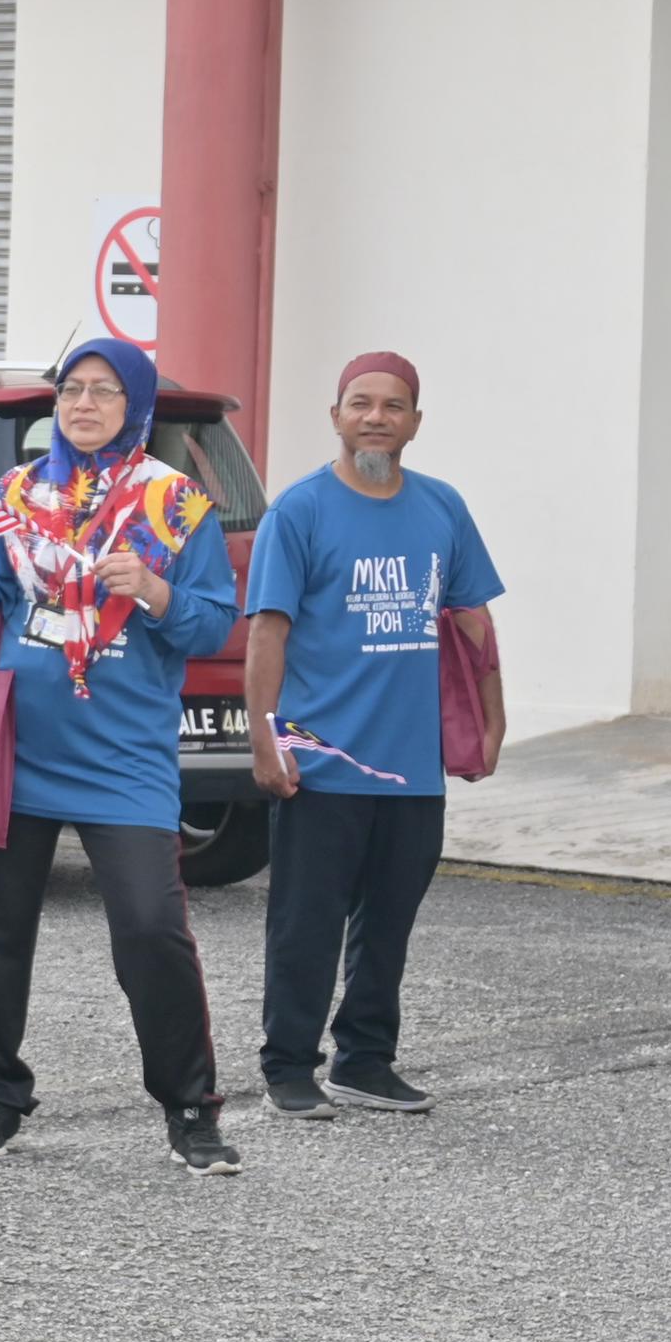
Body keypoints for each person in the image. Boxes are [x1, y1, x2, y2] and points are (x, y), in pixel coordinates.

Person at [0, 337, 243, 1174]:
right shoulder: (16, 493)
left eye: (105, 390)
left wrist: (154, 589)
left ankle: (190, 1108)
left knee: (149, 929)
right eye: (72, 388)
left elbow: (214, 625)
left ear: (134, 406)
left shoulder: (174, 503)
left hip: (123, 758)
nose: (83, 404)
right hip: (13, 750)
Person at [243, 349, 506, 1116]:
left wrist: (492, 720)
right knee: (306, 923)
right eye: (360, 403)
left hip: (411, 763)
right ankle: (288, 1065)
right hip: (320, 762)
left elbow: (472, 620)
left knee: (388, 924)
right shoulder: (299, 511)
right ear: (335, 416)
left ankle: (363, 1060)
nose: (375, 417)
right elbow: (267, 631)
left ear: (414, 423)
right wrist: (263, 737)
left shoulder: (442, 507)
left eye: (392, 405)